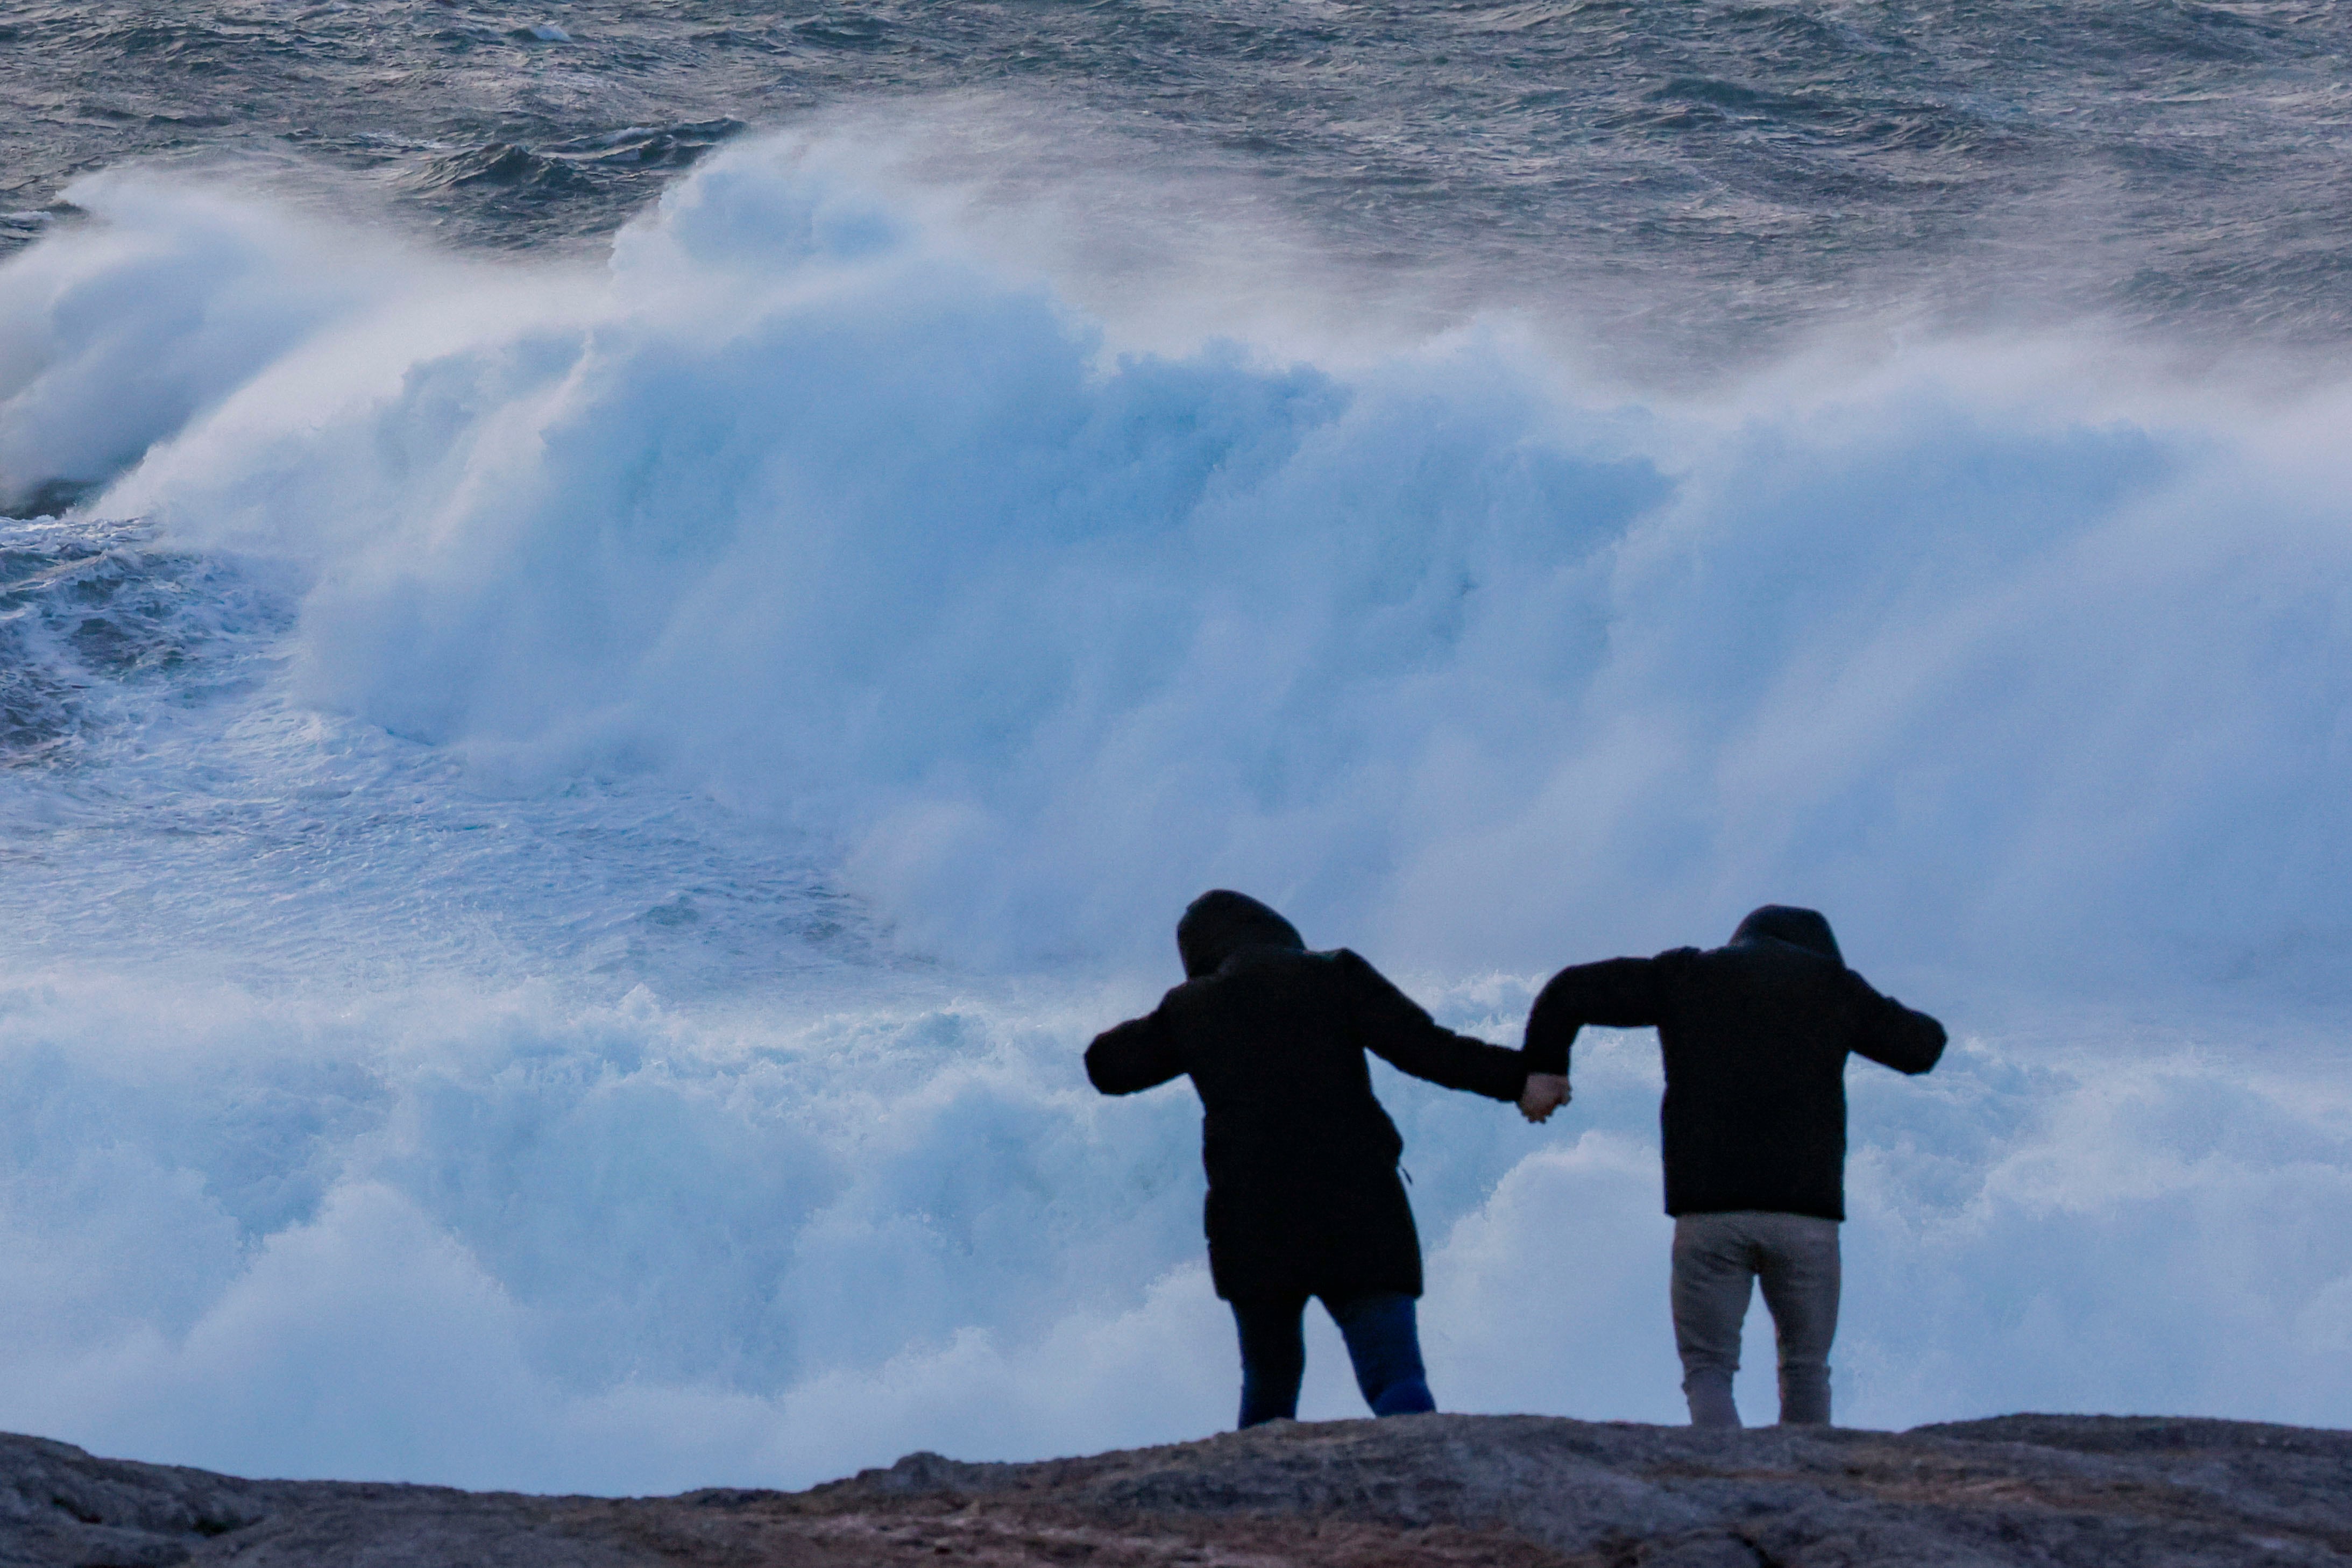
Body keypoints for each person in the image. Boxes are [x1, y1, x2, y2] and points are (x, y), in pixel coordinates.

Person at [1086, 889, 1529, 1429]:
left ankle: (1250, 1509)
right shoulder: (1335, 974)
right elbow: (1431, 1050)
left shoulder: (1192, 1006)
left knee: (1269, 1392)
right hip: (1361, 1207)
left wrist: (1188, 1006)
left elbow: (1106, 1067)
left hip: (1254, 1222)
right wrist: (1523, 1078)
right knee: (1395, 1377)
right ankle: (1436, 1493)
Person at [1517, 904, 1944, 1429]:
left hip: (1708, 1213)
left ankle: (1724, 1485)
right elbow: (1923, 1046)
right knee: (1806, 1368)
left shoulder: (1687, 974)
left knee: (1708, 1368)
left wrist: (1546, 1066)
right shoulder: (1831, 985)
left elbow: (1570, 989)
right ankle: (1806, 1492)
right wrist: (1854, 997)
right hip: (1804, 1217)